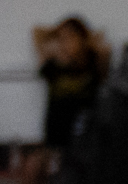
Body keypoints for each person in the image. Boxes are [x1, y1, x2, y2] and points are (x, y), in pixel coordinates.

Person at [31, 16, 109, 150]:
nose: (64, 44)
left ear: (82, 39)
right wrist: (55, 34)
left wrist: (86, 42)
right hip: (56, 139)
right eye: (61, 39)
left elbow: (104, 48)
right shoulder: (53, 66)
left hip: (84, 138)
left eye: (71, 38)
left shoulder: (92, 62)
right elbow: (37, 32)